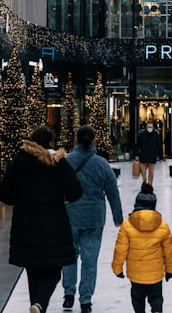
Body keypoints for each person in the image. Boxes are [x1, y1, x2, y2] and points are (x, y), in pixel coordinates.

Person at [0, 126, 83, 313]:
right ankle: (39, 304)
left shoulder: (18, 162)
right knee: (53, 270)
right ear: (51, 142)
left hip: (25, 226)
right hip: (53, 226)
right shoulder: (58, 163)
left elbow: (5, 195)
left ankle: (37, 306)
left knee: (33, 270)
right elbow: (75, 191)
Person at [62, 125, 124, 312]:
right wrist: (118, 216)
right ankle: (86, 300)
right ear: (95, 140)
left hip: (69, 216)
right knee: (90, 260)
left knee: (69, 256)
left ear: (76, 140)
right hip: (94, 218)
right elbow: (112, 191)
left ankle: (68, 294)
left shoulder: (66, 162)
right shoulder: (102, 164)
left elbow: (56, 188)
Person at [112, 183, 172, 313]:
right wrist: (170, 270)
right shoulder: (163, 226)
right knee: (156, 299)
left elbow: (120, 250)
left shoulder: (127, 226)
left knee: (137, 299)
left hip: (136, 275)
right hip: (155, 274)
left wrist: (117, 269)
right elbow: (168, 252)